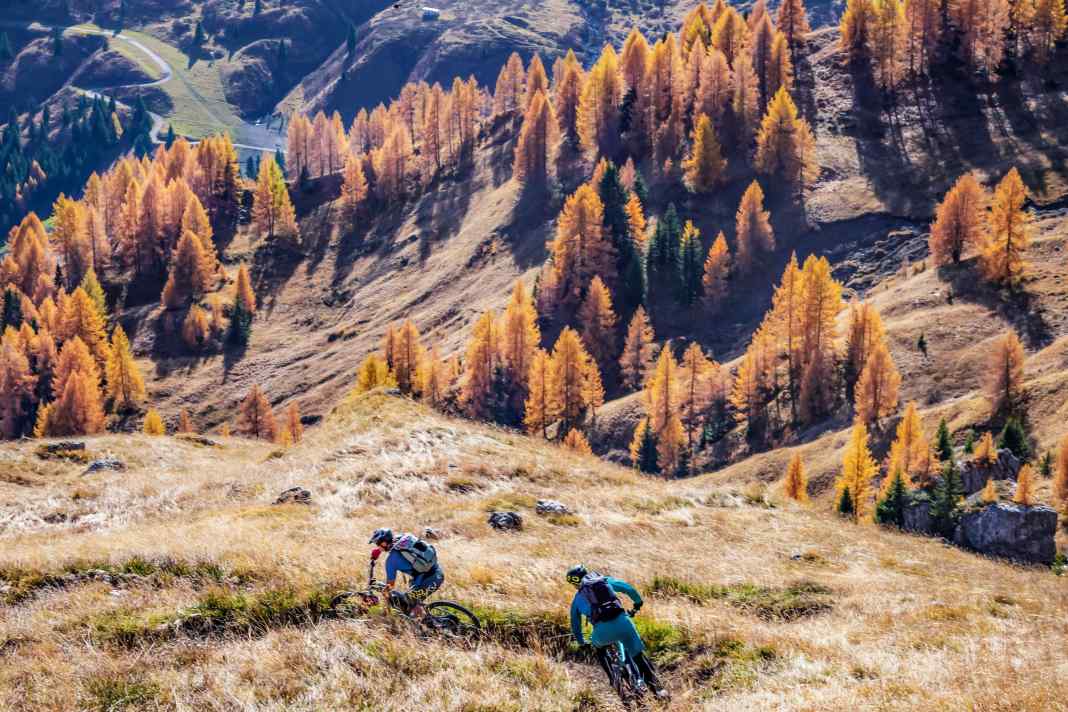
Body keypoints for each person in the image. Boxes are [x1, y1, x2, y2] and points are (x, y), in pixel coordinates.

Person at [567, 564, 667, 699]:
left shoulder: (577, 599)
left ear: (574, 583)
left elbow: (575, 624)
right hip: (624, 623)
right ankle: (658, 691)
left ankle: (613, 678)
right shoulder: (604, 581)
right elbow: (628, 589)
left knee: (599, 649)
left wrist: (581, 642)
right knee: (639, 657)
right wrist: (637, 603)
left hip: (601, 633)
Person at [368, 528, 443, 618]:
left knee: (409, 602)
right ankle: (423, 616)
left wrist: (382, 592)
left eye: (377, 544)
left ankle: (431, 623)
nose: (377, 546)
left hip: (429, 581)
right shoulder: (403, 539)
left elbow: (390, 587)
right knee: (411, 599)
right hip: (437, 573)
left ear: (384, 543)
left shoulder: (391, 561)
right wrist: (378, 551)